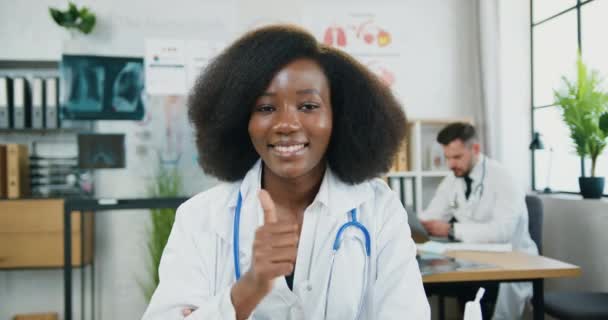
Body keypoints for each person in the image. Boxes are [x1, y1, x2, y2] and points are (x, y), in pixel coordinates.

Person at [142, 25, 430, 320]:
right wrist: (249, 289)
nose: (287, 124)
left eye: (308, 106)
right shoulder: (201, 217)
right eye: (266, 108)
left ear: (339, 117)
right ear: (241, 118)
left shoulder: (378, 210)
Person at [419, 122, 538, 320]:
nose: (451, 164)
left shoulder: (504, 178)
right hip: (471, 261)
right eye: (447, 158)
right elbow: (432, 214)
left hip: (510, 264)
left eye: (457, 157)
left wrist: (451, 230)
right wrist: (414, 223)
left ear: (475, 149)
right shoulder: (453, 179)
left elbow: (502, 231)